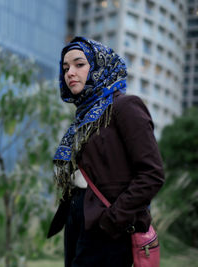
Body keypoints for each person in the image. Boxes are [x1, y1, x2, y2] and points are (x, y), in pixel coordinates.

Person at [46, 36, 165, 266]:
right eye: (65, 67)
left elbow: (152, 174)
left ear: (99, 66)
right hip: (78, 216)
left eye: (79, 64)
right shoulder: (83, 117)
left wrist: (113, 219)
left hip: (108, 224)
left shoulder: (125, 107)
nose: (70, 72)